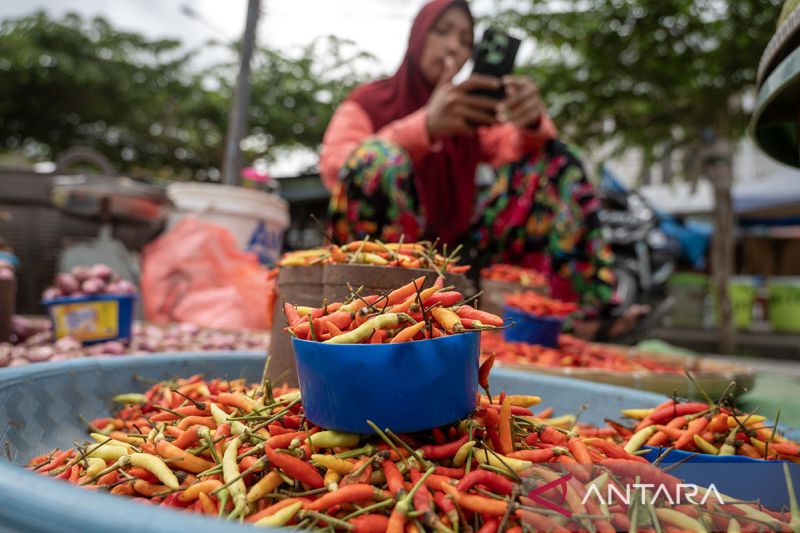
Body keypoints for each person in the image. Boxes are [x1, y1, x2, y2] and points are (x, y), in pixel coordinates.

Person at [320, 0, 642, 340]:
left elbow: (519, 149)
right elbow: (338, 167)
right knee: (376, 158)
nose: (453, 47)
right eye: (442, 32)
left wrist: (530, 118)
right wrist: (424, 127)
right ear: (418, 38)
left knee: (557, 158)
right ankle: (372, 314)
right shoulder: (369, 101)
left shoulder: (469, 116)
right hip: (386, 262)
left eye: (464, 40)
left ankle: (572, 318)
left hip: (460, 260)